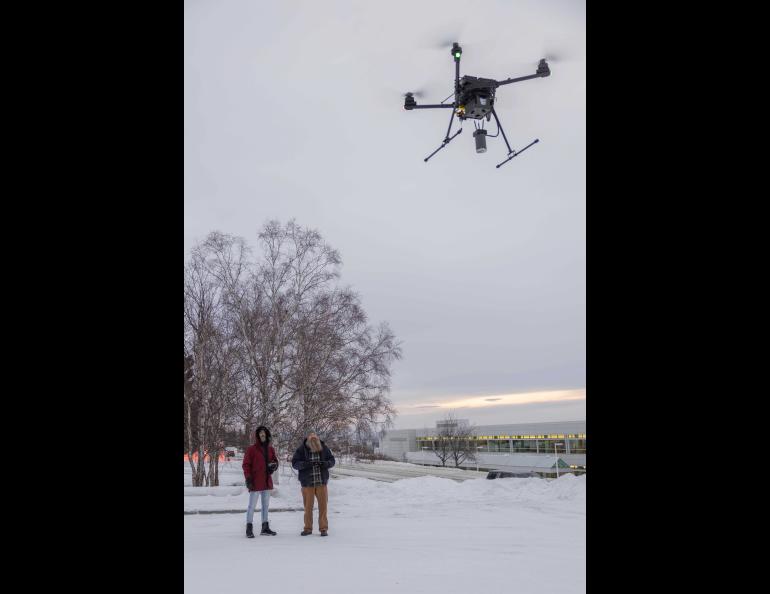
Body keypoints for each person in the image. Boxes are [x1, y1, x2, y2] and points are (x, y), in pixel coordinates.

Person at [291, 431, 336, 536]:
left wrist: (325, 464)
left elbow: (332, 460)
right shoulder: (301, 449)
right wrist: (306, 464)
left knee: (323, 507)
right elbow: (295, 463)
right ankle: (308, 528)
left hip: (321, 482)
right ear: (308, 439)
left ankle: (323, 529)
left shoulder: (323, 447)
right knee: (308, 508)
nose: (314, 441)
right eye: (311, 438)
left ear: (318, 439)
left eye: (315, 438)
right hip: (307, 484)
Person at [242, 426, 279, 537]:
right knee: (251, 506)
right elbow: (246, 465)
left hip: (267, 481)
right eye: (260, 433)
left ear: (267, 435)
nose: (262, 435)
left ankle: (265, 527)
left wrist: (273, 466)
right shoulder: (251, 449)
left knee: (265, 505)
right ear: (257, 435)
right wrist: (248, 478)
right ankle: (249, 528)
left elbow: (275, 462)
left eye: (264, 433)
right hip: (255, 481)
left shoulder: (271, 449)